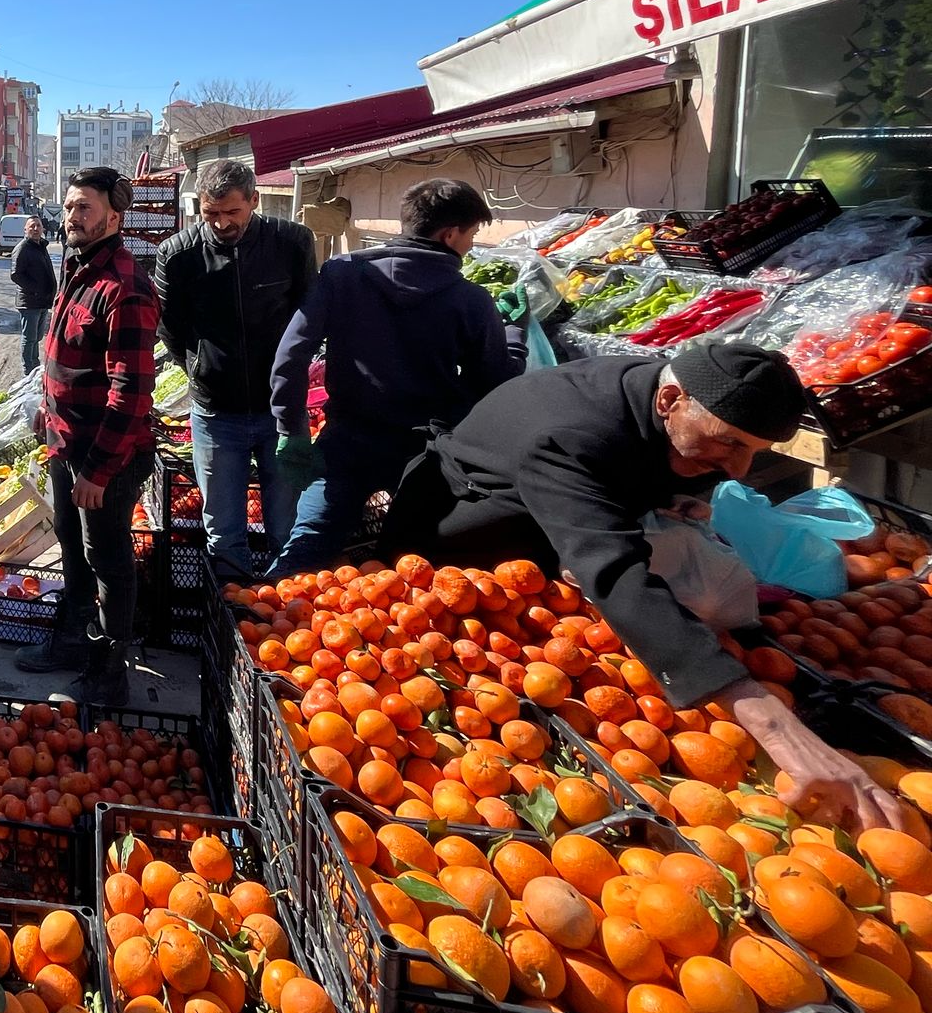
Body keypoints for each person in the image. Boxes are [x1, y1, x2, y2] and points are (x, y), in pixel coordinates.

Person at [388, 340, 903, 835]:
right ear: (670, 400)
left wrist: (666, 499)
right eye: (730, 443)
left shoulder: (659, 401)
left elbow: (627, 486)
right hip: (461, 535)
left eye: (755, 451)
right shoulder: (572, 433)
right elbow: (614, 570)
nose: (741, 469)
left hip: (551, 521)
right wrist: (775, 729)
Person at [266, 178, 518, 575]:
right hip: (424, 455)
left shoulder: (341, 275)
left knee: (308, 546)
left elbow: (290, 355)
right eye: (470, 234)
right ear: (450, 234)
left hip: (346, 444)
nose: (470, 245)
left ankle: (260, 618)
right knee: (413, 570)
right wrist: (516, 337)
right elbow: (492, 382)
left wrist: (291, 428)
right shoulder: (471, 300)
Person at [13, 167, 158, 706]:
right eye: (70, 206)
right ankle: (73, 642)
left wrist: (97, 471)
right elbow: (61, 354)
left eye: (85, 209)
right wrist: (46, 413)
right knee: (73, 550)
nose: (72, 216)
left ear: (114, 218)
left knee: (108, 561)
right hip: (64, 441)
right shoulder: (76, 268)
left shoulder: (126, 288)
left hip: (105, 457)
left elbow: (131, 393)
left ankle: (109, 671)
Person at [153, 157, 317, 584]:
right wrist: (200, 369)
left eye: (232, 213)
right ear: (198, 208)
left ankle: (288, 615)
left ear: (254, 201)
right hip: (215, 415)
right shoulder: (178, 254)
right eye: (211, 214)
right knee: (223, 531)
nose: (222, 223)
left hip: (282, 413)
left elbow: (309, 318)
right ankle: (235, 621)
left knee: (287, 527)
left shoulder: (292, 242)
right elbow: (170, 327)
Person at [10, 215, 57, 375]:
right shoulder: (23, 248)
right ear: (25, 229)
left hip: (42, 301)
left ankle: (35, 366)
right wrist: (35, 290)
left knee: (36, 337)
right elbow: (16, 274)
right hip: (29, 302)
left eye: (38, 226)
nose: (36, 229)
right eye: (32, 226)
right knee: (29, 338)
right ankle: (27, 370)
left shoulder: (40, 246)